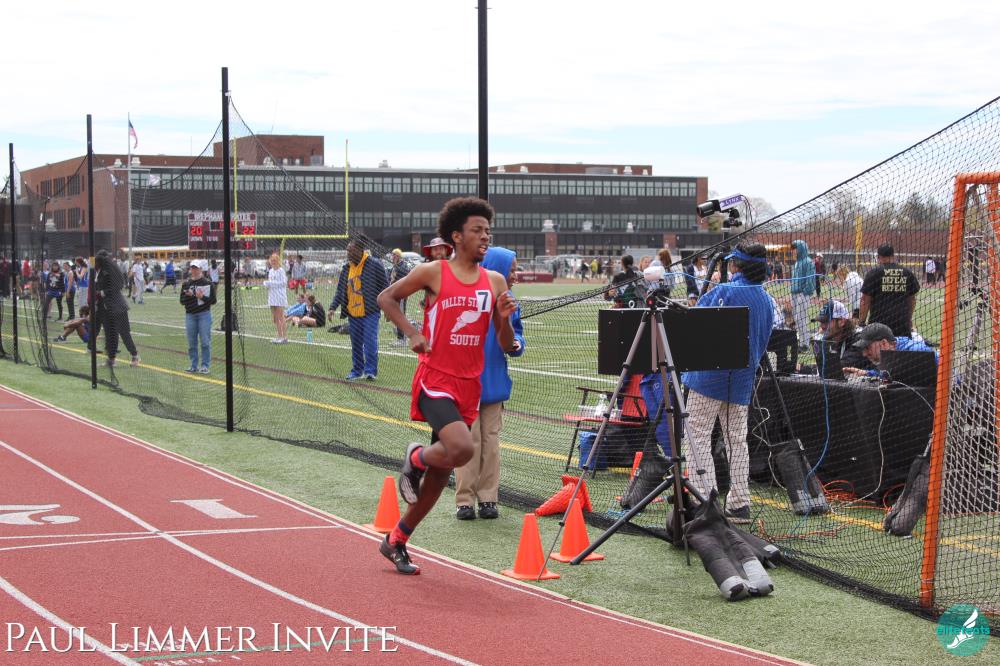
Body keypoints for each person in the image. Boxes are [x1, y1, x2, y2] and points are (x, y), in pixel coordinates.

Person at [375, 197, 517, 574]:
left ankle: (396, 540)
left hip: (470, 386)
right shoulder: (433, 272)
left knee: (439, 478)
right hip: (435, 379)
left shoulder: (495, 282)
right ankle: (416, 457)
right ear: (456, 236)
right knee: (462, 449)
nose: (485, 237)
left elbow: (504, 344)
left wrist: (504, 320)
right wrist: (412, 333)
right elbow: (386, 298)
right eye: (477, 230)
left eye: (488, 231)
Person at [681, 243, 773, 524]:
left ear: (737, 265)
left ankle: (705, 499)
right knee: (737, 441)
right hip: (742, 379)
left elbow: (695, 321)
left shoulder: (725, 291)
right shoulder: (766, 299)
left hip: (709, 378)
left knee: (697, 436)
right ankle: (740, 503)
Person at [454, 245, 526, 521]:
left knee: (491, 443)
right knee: (468, 443)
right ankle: (464, 501)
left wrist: (517, 344)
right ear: (496, 270)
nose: (515, 275)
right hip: (466, 383)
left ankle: (488, 499)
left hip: (494, 383)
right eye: (511, 270)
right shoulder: (469, 298)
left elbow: (516, 335)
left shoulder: (510, 301)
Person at [329, 239, 389, 381]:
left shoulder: (374, 264)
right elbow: (340, 290)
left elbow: (386, 287)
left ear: (360, 250)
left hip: (370, 312)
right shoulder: (346, 268)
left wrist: (388, 308)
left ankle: (370, 371)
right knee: (356, 344)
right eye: (347, 251)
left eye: (351, 250)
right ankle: (357, 370)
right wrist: (332, 307)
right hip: (352, 313)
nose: (348, 253)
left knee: (370, 342)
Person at [859, 244, 920, 337]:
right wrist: (908, 319)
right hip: (901, 324)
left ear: (878, 257)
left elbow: (865, 300)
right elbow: (912, 300)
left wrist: (861, 322)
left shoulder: (873, 273)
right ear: (893, 255)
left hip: (879, 324)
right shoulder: (907, 273)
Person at [93, 250, 139, 368]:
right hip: (106, 308)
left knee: (124, 333)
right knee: (110, 334)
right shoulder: (100, 272)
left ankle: (135, 356)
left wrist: (101, 293)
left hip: (117, 307)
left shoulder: (110, 270)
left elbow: (117, 286)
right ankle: (111, 359)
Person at [844, 323, 936, 376]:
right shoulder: (892, 354)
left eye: (867, 347)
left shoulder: (914, 351)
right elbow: (892, 373)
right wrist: (866, 373)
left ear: (884, 343)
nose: (864, 354)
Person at [180, 260, 216, 373]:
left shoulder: (207, 283)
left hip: (204, 315)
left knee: (205, 341)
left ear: (201, 269)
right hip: (190, 315)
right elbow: (182, 301)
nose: (194, 270)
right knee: (192, 342)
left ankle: (205, 365)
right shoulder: (186, 284)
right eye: (192, 268)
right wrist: (190, 295)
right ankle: (193, 365)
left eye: (196, 268)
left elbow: (213, 301)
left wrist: (201, 297)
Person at [812, 300, 869, 370]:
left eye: (826, 321)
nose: (822, 326)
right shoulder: (831, 340)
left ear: (842, 322)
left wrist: (808, 368)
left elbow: (838, 366)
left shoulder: (858, 339)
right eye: (821, 322)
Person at [790, 239, 814, 351]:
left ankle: (805, 344)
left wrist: (805, 292)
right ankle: (802, 341)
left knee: (801, 318)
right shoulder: (797, 263)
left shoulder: (808, 262)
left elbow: (810, 280)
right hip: (795, 294)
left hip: (803, 294)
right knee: (797, 319)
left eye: (794, 249)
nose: (793, 251)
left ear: (800, 249)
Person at [263, 252, 289, 344]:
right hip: (272, 296)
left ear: (278, 261)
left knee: (280, 317)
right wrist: (267, 284)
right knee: (275, 318)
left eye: (275, 260)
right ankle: (279, 336)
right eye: (272, 260)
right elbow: (270, 283)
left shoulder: (281, 271)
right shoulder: (270, 271)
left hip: (280, 296)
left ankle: (284, 337)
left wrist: (272, 283)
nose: (273, 262)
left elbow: (284, 283)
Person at [388, 249, 411, 345]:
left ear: (398, 256)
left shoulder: (402, 267)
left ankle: (402, 339)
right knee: (398, 315)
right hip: (396, 294)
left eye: (394, 255)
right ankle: (402, 337)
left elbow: (400, 280)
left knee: (400, 315)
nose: (392, 257)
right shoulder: (396, 266)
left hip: (401, 294)